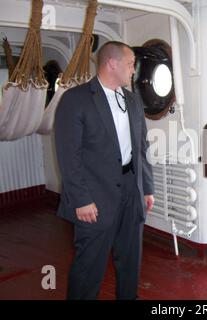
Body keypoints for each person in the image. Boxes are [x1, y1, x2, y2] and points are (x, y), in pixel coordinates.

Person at [55, 41, 154, 300]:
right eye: (131, 64)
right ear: (112, 63)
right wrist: (81, 199)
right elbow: (68, 155)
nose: (134, 70)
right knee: (88, 268)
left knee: (130, 263)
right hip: (94, 197)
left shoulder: (132, 101)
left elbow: (141, 148)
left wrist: (148, 188)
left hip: (132, 192)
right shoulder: (75, 100)